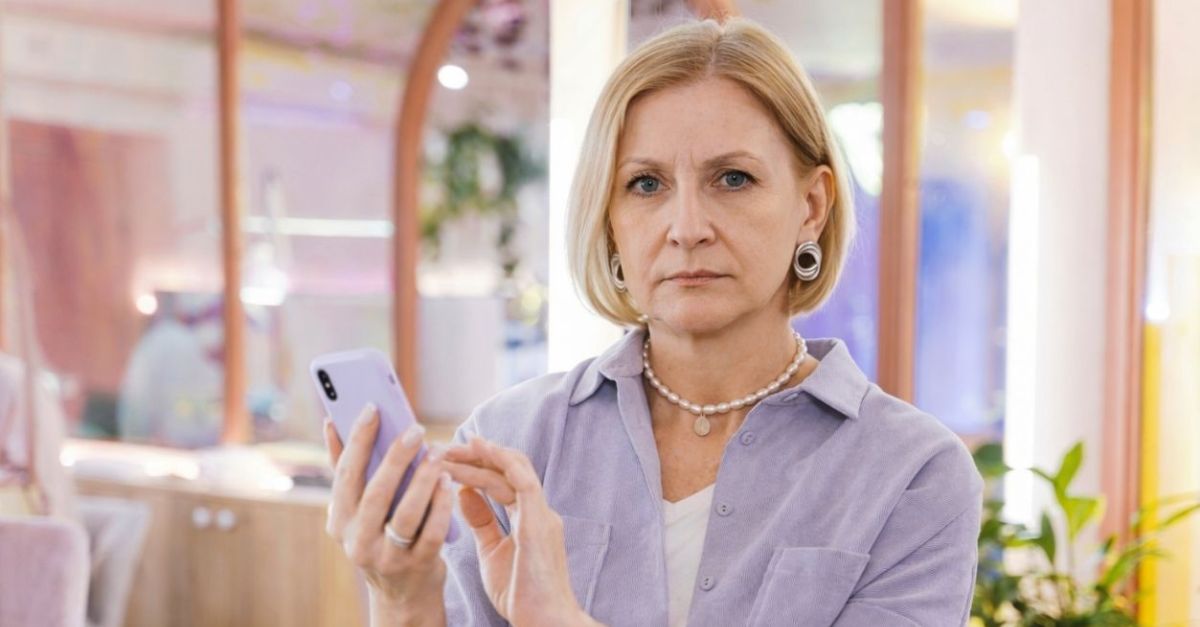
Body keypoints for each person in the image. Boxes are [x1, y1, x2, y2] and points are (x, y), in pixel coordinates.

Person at [324, 16, 983, 627]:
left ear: (811, 205)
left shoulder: (913, 474)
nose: (688, 228)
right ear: (609, 218)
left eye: (732, 178)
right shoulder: (511, 440)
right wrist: (403, 596)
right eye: (645, 184)